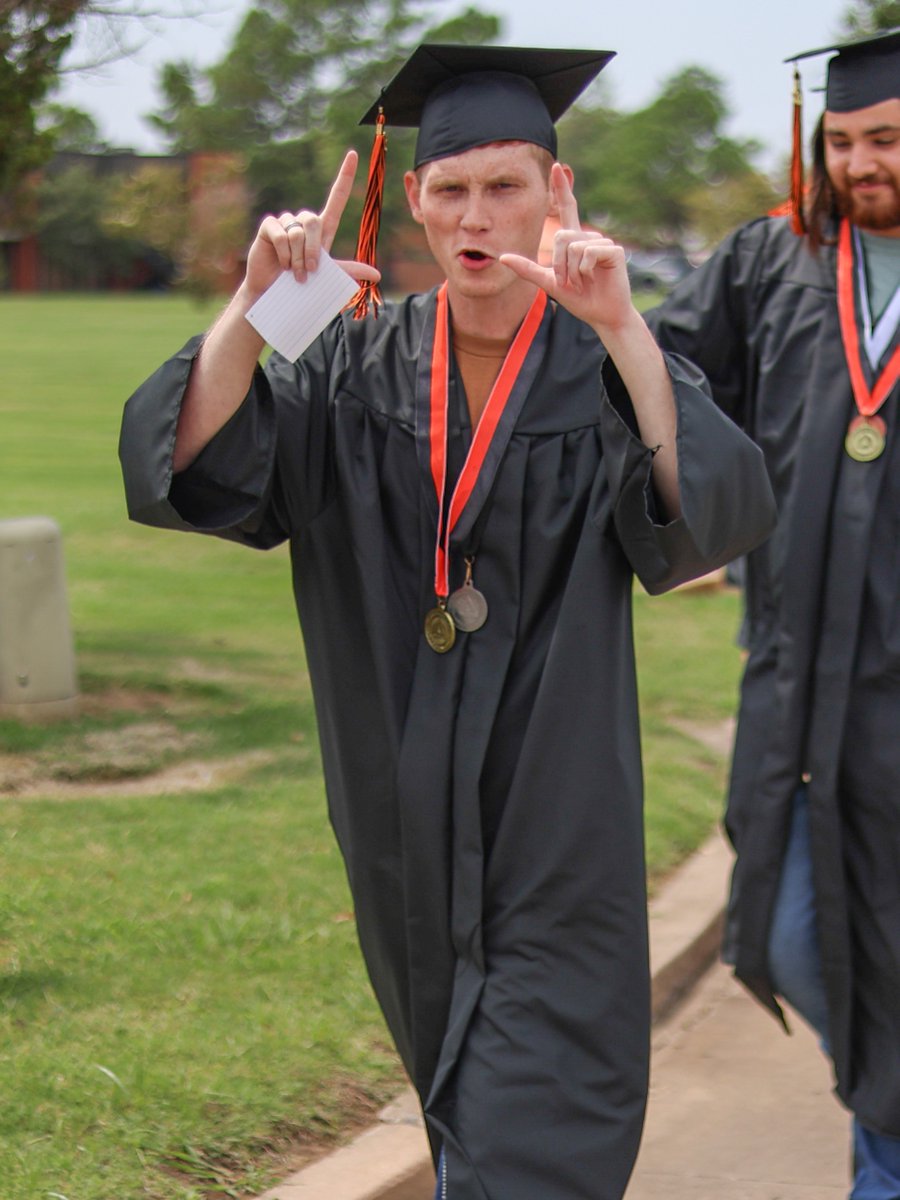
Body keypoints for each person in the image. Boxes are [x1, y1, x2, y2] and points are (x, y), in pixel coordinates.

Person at [119, 44, 775, 1200]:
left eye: (507, 185)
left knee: (538, 1133)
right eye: (452, 188)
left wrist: (625, 329)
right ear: (415, 202)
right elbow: (189, 471)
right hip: (397, 818)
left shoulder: (606, 364)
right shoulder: (352, 366)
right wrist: (255, 312)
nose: (478, 217)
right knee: (468, 1112)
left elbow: (709, 518)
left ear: (556, 193)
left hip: (556, 817)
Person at [648, 28, 900, 1200]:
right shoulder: (773, 261)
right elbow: (665, 373)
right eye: (842, 139)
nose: (860, 162)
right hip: (794, 678)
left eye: (885, 138)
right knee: (792, 927)